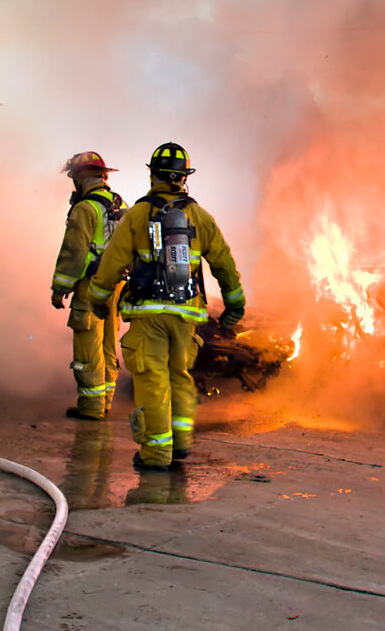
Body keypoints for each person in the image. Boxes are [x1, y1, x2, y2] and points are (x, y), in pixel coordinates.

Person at [88, 142, 246, 472]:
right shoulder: (199, 217)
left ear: (153, 174)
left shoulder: (137, 215)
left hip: (148, 316)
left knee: (152, 382)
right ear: (183, 178)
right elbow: (224, 264)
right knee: (180, 379)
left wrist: (98, 299)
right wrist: (233, 306)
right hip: (187, 317)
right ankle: (181, 443)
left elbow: (111, 263)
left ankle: (157, 454)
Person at [51, 151, 126, 420]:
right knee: (108, 345)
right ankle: (105, 402)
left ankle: (91, 407)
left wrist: (59, 288)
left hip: (90, 288)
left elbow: (74, 252)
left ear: (80, 178)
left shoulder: (84, 208)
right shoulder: (119, 205)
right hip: (115, 287)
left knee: (87, 347)